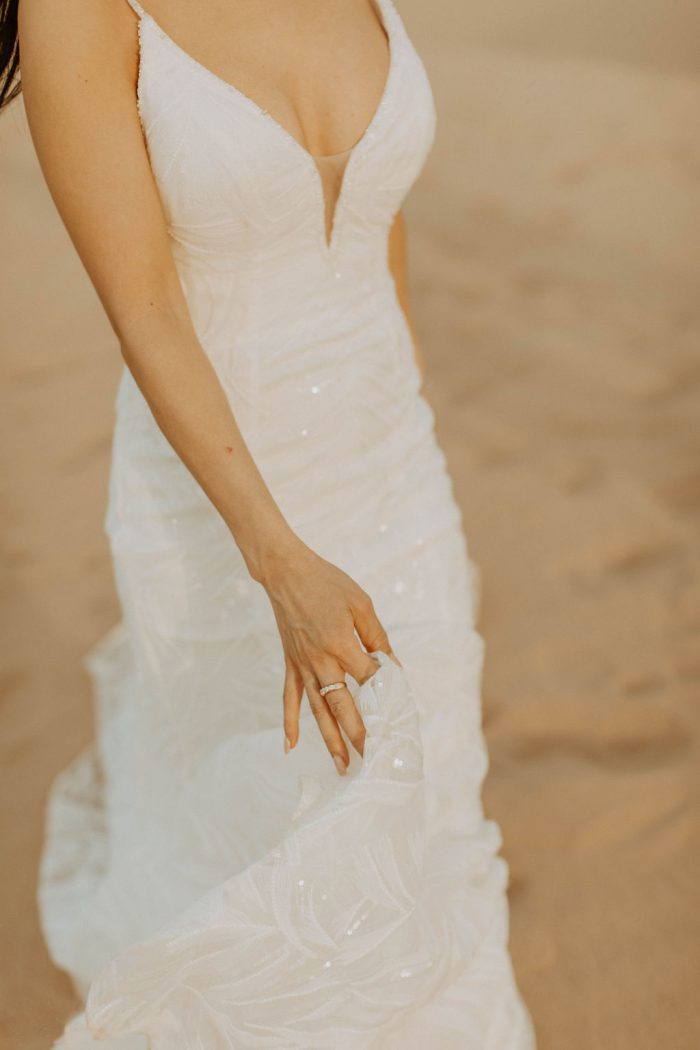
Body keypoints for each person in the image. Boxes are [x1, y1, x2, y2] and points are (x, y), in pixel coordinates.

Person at [3, 0, 537, 1045]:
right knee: (284, 831)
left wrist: (406, 432)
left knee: (432, 810)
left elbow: (381, 229)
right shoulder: (79, 13)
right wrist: (279, 561)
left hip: (395, 465)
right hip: (228, 511)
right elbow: (146, 308)